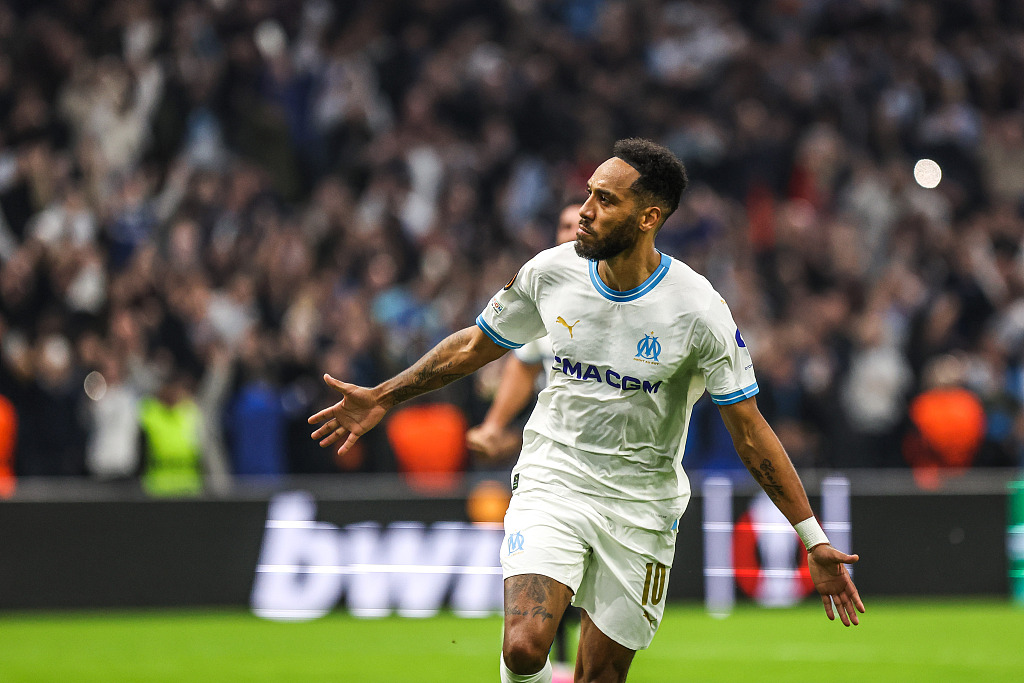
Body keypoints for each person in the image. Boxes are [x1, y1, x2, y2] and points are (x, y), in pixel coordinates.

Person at [309, 138, 865, 683]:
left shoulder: (698, 311)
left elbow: (748, 431)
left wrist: (812, 537)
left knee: (599, 675)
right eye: (588, 194)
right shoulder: (552, 272)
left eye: (606, 201)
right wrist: (383, 395)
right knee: (526, 648)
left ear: (648, 218)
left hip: (642, 506)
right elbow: (476, 346)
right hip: (554, 478)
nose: (586, 212)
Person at [466, 200, 583, 683]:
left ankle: (569, 663)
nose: (574, 231)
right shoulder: (548, 295)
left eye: (581, 223)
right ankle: (553, 664)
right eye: (564, 224)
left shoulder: (634, 294)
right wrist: (495, 424)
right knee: (544, 582)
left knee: (590, 594)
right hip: (553, 469)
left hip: (621, 478)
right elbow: (523, 360)